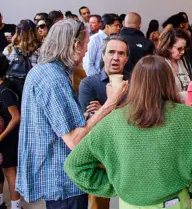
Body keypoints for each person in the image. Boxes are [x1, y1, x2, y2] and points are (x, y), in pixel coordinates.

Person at [63, 55, 192, 209]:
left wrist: (114, 187)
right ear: (170, 81)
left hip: (129, 203)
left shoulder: (113, 121)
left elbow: (75, 166)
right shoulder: (189, 117)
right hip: (176, 201)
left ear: (134, 83)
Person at [16, 19, 126, 209]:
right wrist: (110, 104)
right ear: (75, 45)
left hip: (53, 175)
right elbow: (74, 140)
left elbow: (51, 123)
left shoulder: (42, 71)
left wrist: (82, 116)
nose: (85, 51)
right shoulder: (55, 79)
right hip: (62, 180)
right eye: (85, 45)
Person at [79, 35, 130, 115]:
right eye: (111, 52)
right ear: (103, 56)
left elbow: (137, 116)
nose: (116, 58)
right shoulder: (88, 84)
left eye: (121, 54)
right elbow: (89, 121)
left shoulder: (135, 82)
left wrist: (102, 110)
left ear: (126, 59)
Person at [0, 55, 22, 209]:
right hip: (4, 137)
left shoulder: (5, 91)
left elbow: (16, 117)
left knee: (10, 170)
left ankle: (16, 205)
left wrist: (1, 136)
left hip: (9, 138)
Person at [156, 25, 192, 102]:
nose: (183, 52)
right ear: (168, 46)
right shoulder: (160, 64)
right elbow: (163, 94)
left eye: (185, 48)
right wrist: (188, 94)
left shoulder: (181, 61)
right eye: (179, 49)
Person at [3, 20, 41, 96]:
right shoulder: (40, 50)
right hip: (32, 89)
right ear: (34, 32)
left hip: (12, 91)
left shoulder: (9, 49)